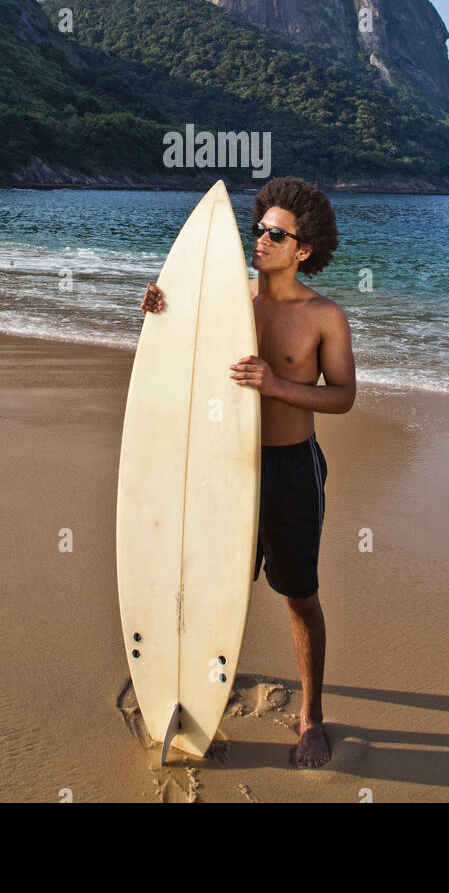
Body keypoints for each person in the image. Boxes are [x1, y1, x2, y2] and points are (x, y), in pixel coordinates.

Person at [140, 175, 356, 768]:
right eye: (258, 227)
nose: (259, 238)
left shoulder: (323, 316)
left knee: (298, 594)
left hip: (290, 467)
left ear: (302, 249)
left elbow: (343, 397)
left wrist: (278, 384)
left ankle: (311, 715)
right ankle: (194, 682)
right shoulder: (224, 299)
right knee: (209, 581)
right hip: (221, 459)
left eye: (274, 233)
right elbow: (179, 347)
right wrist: (161, 308)